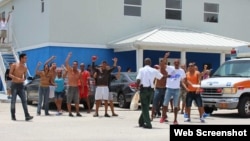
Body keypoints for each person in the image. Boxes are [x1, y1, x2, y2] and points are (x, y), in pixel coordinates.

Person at [136, 58, 163, 129]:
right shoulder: (154, 70)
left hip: (144, 90)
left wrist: (136, 87)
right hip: (151, 90)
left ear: (144, 62)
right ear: (150, 63)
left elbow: (138, 79)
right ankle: (141, 121)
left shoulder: (141, 70)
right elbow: (161, 77)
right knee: (146, 106)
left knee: (144, 106)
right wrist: (170, 76)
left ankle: (148, 124)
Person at [160, 59, 186, 125]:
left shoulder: (181, 71)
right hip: (169, 88)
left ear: (179, 63)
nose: (176, 63)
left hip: (177, 89)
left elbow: (183, 80)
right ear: (173, 63)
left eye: (177, 62)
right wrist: (165, 57)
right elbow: (162, 65)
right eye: (175, 62)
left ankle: (175, 120)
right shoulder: (170, 68)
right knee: (165, 104)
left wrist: (185, 87)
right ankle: (163, 116)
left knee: (176, 106)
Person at [9, 53, 33, 121]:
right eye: (25, 58)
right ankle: (13, 115)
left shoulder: (25, 68)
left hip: (21, 85)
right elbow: (10, 74)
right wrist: (17, 78)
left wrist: (23, 79)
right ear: (21, 58)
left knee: (24, 101)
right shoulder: (14, 65)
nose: (26, 59)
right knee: (13, 101)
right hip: (14, 85)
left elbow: (24, 77)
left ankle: (27, 115)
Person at [65, 52, 84, 117]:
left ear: (77, 65)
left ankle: (77, 112)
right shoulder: (70, 70)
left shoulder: (79, 72)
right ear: (72, 65)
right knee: (69, 101)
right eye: (73, 64)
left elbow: (82, 81)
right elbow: (66, 63)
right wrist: (69, 56)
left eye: (76, 64)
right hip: (70, 87)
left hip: (76, 88)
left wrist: (82, 89)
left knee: (77, 101)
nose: (74, 65)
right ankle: (70, 113)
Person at [151, 52, 169, 121]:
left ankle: (164, 116)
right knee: (155, 102)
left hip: (164, 89)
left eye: (165, 64)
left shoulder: (167, 72)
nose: (165, 65)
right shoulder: (160, 70)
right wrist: (165, 56)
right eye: (164, 63)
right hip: (158, 89)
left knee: (164, 104)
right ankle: (152, 116)